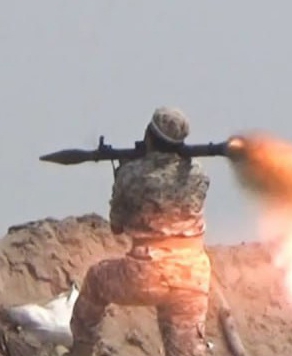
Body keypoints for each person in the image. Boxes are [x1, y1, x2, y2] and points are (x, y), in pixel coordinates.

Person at [68, 107, 212, 356]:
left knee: (96, 279)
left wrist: (121, 176)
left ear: (149, 136)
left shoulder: (132, 175)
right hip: (193, 275)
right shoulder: (198, 174)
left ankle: (81, 349)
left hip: (148, 272)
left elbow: (117, 226)